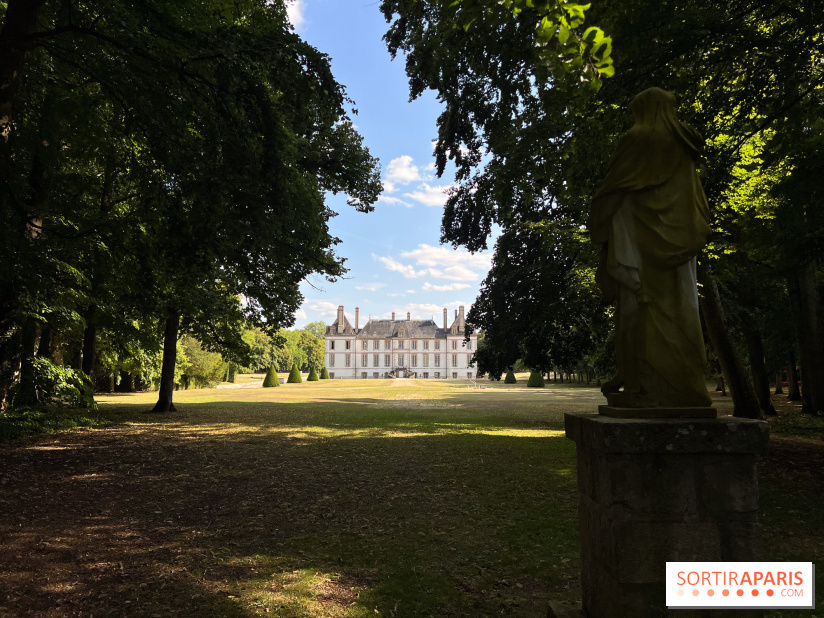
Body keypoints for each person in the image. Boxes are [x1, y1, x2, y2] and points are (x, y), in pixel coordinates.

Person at [589, 87, 712, 408]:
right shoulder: (684, 146)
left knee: (636, 311)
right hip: (680, 246)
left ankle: (640, 383)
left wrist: (603, 221)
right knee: (683, 308)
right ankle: (685, 385)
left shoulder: (638, 138)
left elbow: (612, 191)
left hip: (639, 246)